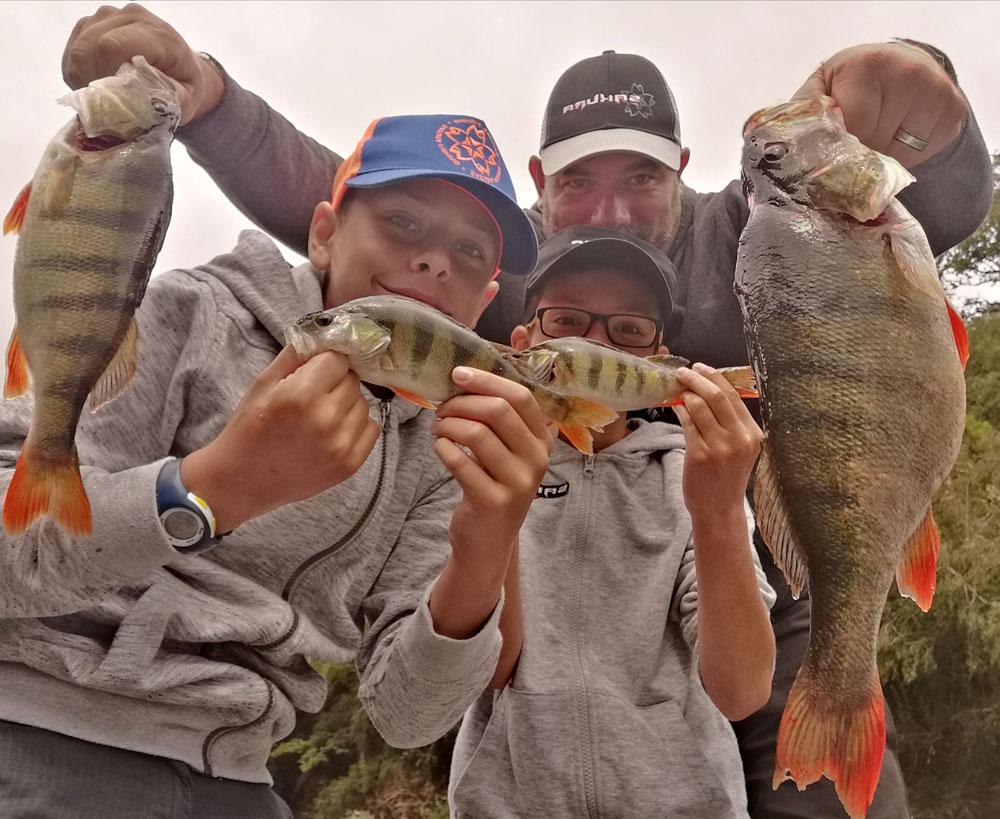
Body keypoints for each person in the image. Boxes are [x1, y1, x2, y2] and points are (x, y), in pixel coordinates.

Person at [60, 7, 994, 816]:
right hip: (544, 683)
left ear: (687, 171)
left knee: (825, 786)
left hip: (776, 571)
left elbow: (934, 207)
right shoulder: (501, 290)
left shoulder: (762, 223)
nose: (614, 209)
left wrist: (924, 99)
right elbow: (361, 222)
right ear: (541, 187)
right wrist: (211, 103)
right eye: (582, 182)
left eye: (641, 177)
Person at [0, 111, 551, 818]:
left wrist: (486, 549)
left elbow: (406, 717)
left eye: (470, 253)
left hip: (239, 779)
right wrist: (215, 488)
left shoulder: (447, 450)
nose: (436, 262)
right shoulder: (191, 311)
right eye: (404, 224)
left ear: (482, 303)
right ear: (323, 233)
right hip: (39, 742)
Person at [448, 224, 776, 817]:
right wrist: (508, 494)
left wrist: (720, 509)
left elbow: (742, 690)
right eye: (568, 322)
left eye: (627, 329)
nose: (596, 346)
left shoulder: (693, 475)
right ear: (523, 341)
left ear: (660, 361)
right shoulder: (468, 461)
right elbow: (492, 670)